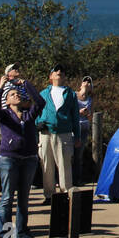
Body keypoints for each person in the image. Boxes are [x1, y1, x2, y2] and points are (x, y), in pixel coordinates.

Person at [0, 75, 44, 238]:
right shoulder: (4, 115)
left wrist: (26, 84)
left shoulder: (29, 115)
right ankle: (6, 237)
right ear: (6, 100)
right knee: (7, 198)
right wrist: (1, 87)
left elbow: (40, 102)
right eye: (12, 94)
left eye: (19, 94)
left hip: (29, 158)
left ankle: (22, 232)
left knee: (23, 198)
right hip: (10, 158)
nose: (17, 95)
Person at [37, 65, 80, 203]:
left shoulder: (71, 94)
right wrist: (38, 122)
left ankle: (66, 193)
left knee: (64, 163)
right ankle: (49, 195)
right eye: (55, 71)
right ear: (50, 76)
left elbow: (75, 116)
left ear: (65, 77)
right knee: (46, 164)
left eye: (62, 72)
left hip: (64, 133)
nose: (59, 73)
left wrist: (77, 136)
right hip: (45, 132)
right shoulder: (43, 93)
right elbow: (36, 111)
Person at [74, 76, 95, 182]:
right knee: (69, 154)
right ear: (81, 84)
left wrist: (87, 114)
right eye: (85, 81)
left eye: (89, 82)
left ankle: (77, 179)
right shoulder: (73, 95)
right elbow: (68, 111)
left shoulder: (90, 100)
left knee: (79, 154)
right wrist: (79, 112)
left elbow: (91, 117)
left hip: (84, 128)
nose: (87, 82)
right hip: (73, 127)